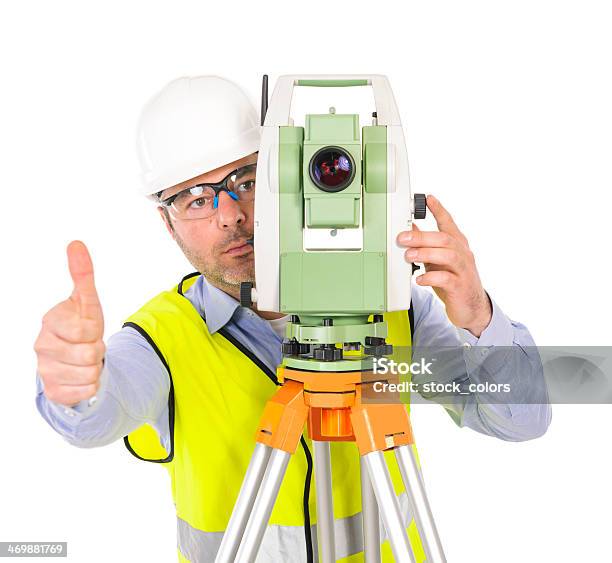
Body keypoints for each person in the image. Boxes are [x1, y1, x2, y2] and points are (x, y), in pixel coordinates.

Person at [34, 75, 551, 562]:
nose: (230, 214)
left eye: (246, 178)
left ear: (292, 173)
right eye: (194, 198)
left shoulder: (396, 310)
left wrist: (476, 314)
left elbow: (522, 421)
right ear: (167, 225)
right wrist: (75, 385)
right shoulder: (160, 340)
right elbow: (95, 414)